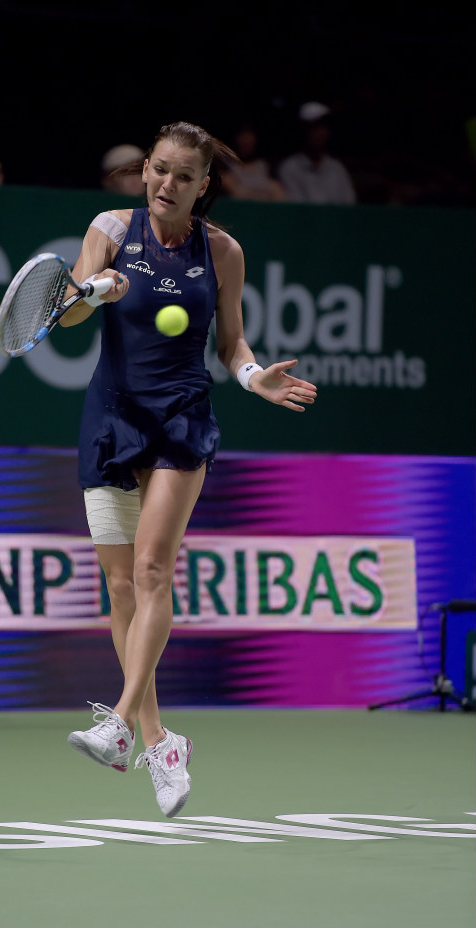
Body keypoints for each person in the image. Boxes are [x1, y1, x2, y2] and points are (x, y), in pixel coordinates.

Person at [62, 121, 318, 818]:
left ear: (204, 186)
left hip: (180, 419)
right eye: (160, 169)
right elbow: (67, 316)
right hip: (111, 419)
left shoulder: (222, 251)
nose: (168, 184)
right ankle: (160, 742)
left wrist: (255, 376)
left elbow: (232, 342)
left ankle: (118, 721)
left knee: (151, 570)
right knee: (120, 589)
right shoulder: (110, 230)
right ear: (145, 168)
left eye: (184, 176)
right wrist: (96, 292)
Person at [278, 102, 357, 205]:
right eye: (315, 127)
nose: (321, 133)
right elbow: (297, 209)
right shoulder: (290, 168)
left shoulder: (337, 168)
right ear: (303, 130)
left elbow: (350, 205)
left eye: (324, 127)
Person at [221, 121, 287, 202]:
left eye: (250, 134)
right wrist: (266, 196)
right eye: (242, 134)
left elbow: (280, 196)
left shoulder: (267, 166)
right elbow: (238, 194)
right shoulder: (225, 166)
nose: (246, 139)